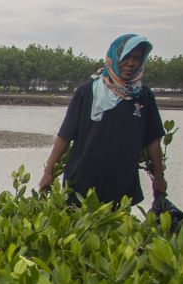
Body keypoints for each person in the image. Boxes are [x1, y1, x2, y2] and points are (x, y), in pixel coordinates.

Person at [39, 34, 167, 207]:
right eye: (126, 57)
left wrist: (159, 178)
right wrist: (49, 172)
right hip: (81, 181)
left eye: (137, 58)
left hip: (122, 183)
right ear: (114, 57)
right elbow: (65, 135)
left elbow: (152, 141)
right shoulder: (86, 93)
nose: (131, 63)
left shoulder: (143, 97)